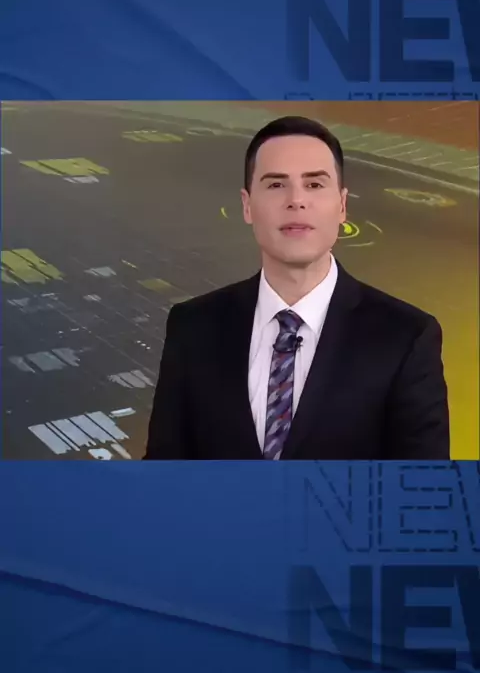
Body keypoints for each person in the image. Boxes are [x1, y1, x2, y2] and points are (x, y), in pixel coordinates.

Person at [144, 116, 450, 460]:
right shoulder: (192, 326)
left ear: (342, 206)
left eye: (314, 184)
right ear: (247, 206)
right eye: (276, 185)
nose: (296, 200)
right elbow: (162, 472)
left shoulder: (407, 337)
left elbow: (422, 485)